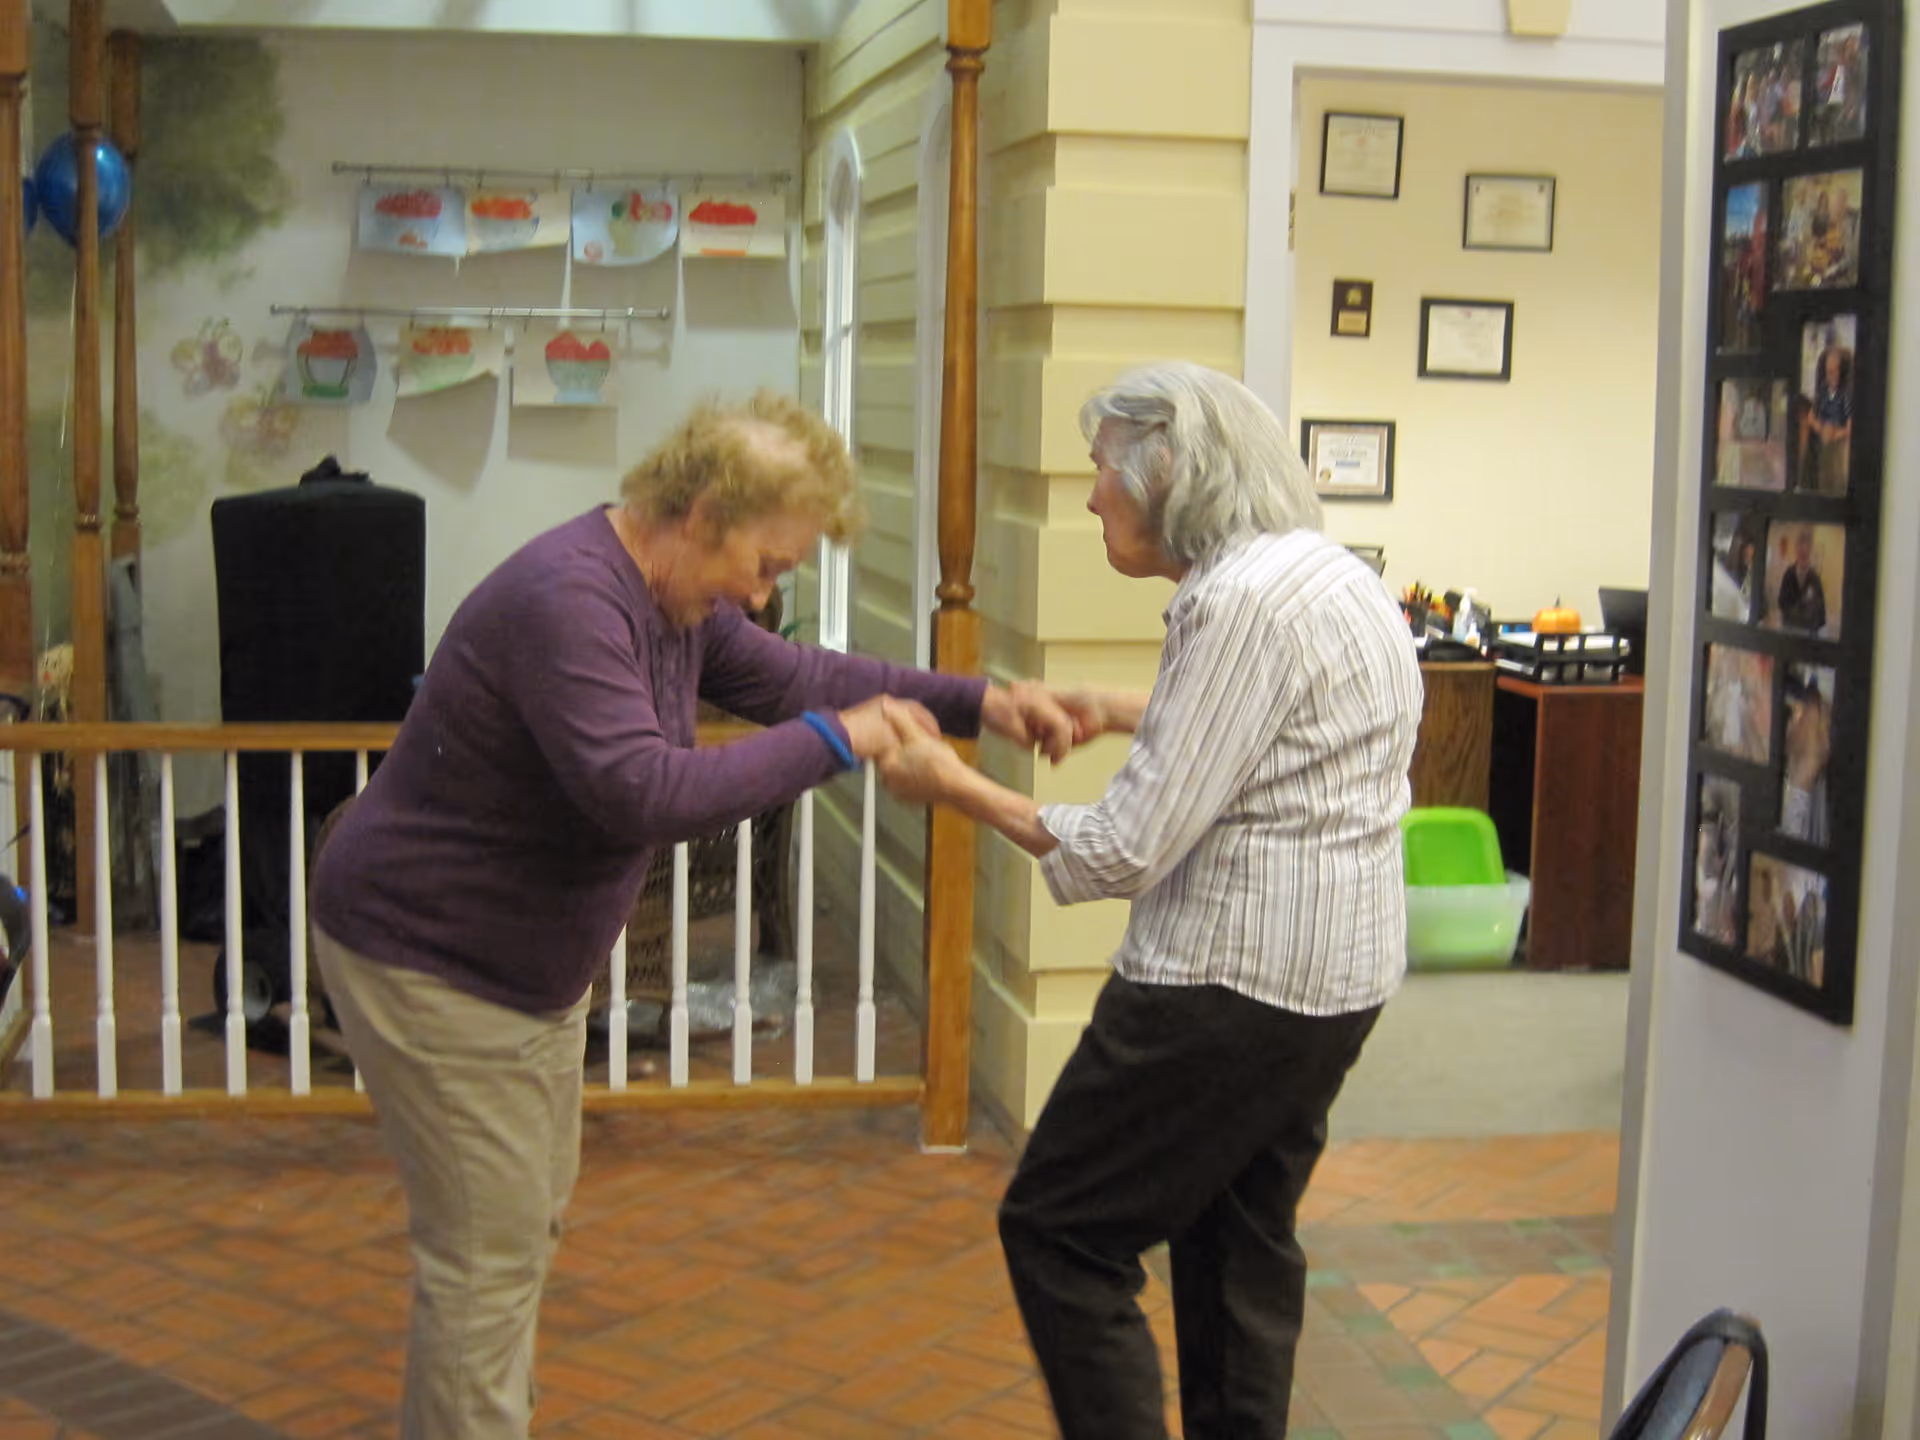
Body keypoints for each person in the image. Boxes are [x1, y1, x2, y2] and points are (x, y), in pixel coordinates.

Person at [309, 390, 1081, 1440]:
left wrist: (975, 700)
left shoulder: (677, 603)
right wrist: (841, 737)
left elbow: (798, 674)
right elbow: (645, 791)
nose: (764, 599)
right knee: (483, 1260)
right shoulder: (571, 601)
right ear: (702, 512)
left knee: (519, 1228)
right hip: (430, 960)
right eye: (764, 565)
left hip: (524, 972)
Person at [873, 361, 1424, 1440]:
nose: (1089, 500)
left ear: (1168, 472)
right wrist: (1127, 706)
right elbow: (1293, 734)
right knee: (1237, 1243)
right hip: (1334, 983)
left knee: (1061, 1233)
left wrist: (953, 785)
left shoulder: (1231, 603)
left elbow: (1126, 848)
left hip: (1225, 989)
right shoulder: (1329, 573)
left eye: (1101, 474)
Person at [1777, 527, 1828, 634]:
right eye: (1800, 547)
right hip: (1789, 631)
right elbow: (1782, 602)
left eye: (1807, 547)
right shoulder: (1789, 574)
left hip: (1808, 635)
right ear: (1796, 549)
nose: (1803, 550)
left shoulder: (1815, 579)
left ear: (1810, 549)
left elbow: (1821, 614)